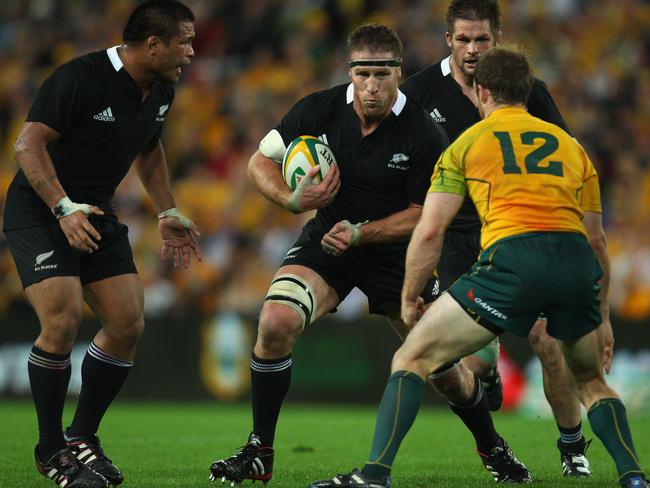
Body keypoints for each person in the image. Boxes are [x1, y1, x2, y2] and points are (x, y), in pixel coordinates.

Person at [309, 45, 648, 488]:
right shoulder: (572, 148)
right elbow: (597, 241)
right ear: (527, 91)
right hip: (574, 266)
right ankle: (634, 477)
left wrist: (410, 296)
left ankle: (374, 475)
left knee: (412, 356)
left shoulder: (467, 143)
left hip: (512, 261)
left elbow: (430, 231)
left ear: (482, 91)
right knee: (591, 381)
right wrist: (602, 317)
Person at [209, 23, 529, 486]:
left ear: (399, 72)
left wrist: (361, 233)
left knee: (445, 371)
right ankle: (260, 450)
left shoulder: (423, 130)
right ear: (350, 72)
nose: (372, 85)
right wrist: (290, 201)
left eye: (382, 73)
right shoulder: (317, 109)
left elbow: (424, 213)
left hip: (397, 257)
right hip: (328, 242)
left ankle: (492, 446)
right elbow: (260, 161)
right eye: (363, 73)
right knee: (275, 322)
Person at [400, 0, 607, 477]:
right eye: (463, 39)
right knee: (468, 363)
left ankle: (572, 446)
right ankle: (489, 372)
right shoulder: (417, 94)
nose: (472, 50)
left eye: (482, 40)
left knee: (545, 335)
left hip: (520, 231)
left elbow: (565, 158)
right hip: (459, 240)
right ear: (447, 40)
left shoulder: (528, 92)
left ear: (498, 38)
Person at [2, 2, 201, 487]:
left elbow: (149, 146)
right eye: (185, 42)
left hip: (94, 211)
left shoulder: (162, 89)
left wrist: (166, 209)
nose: (192, 53)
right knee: (63, 317)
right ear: (153, 44)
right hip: (41, 209)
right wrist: (62, 208)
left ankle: (81, 438)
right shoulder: (80, 77)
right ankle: (51, 451)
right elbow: (27, 145)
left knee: (128, 321)